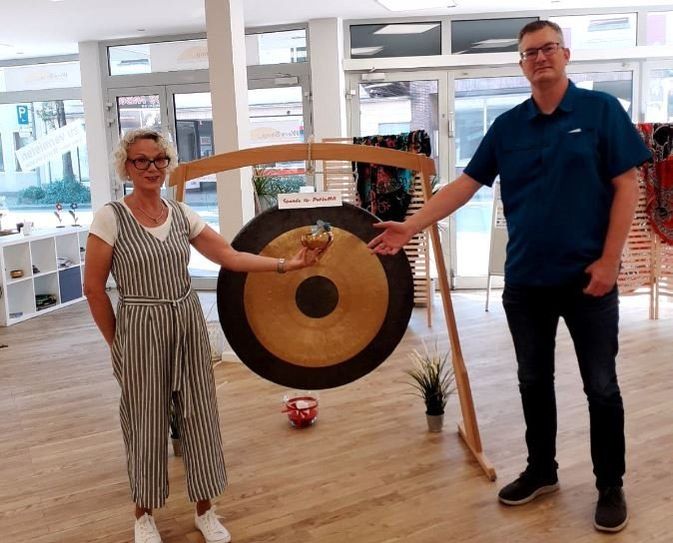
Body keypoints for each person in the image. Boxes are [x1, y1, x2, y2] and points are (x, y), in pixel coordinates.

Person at [368, 20, 651, 533]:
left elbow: (627, 186)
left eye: (547, 49)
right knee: (531, 380)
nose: (539, 58)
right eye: (529, 53)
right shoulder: (508, 126)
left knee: (602, 387)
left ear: (565, 54)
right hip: (526, 282)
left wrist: (610, 263)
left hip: (591, 279)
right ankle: (542, 470)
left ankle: (610, 484)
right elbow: (465, 185)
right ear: (521, 64)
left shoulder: (601, 111)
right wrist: (410, 225)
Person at [84, 128, 322, 543]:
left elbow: (228, 255)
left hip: (187, 320)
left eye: (159, 159)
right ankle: (144, 515)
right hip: (140, 324)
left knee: (200, 414)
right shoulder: (110, 217)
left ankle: (206, 509)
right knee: (144, 422)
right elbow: (92, 287)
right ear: (126, 167)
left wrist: (289, 264)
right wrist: (117, 343)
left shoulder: (180, 214)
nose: (151, 168)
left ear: (168, 164)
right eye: (141, 160)